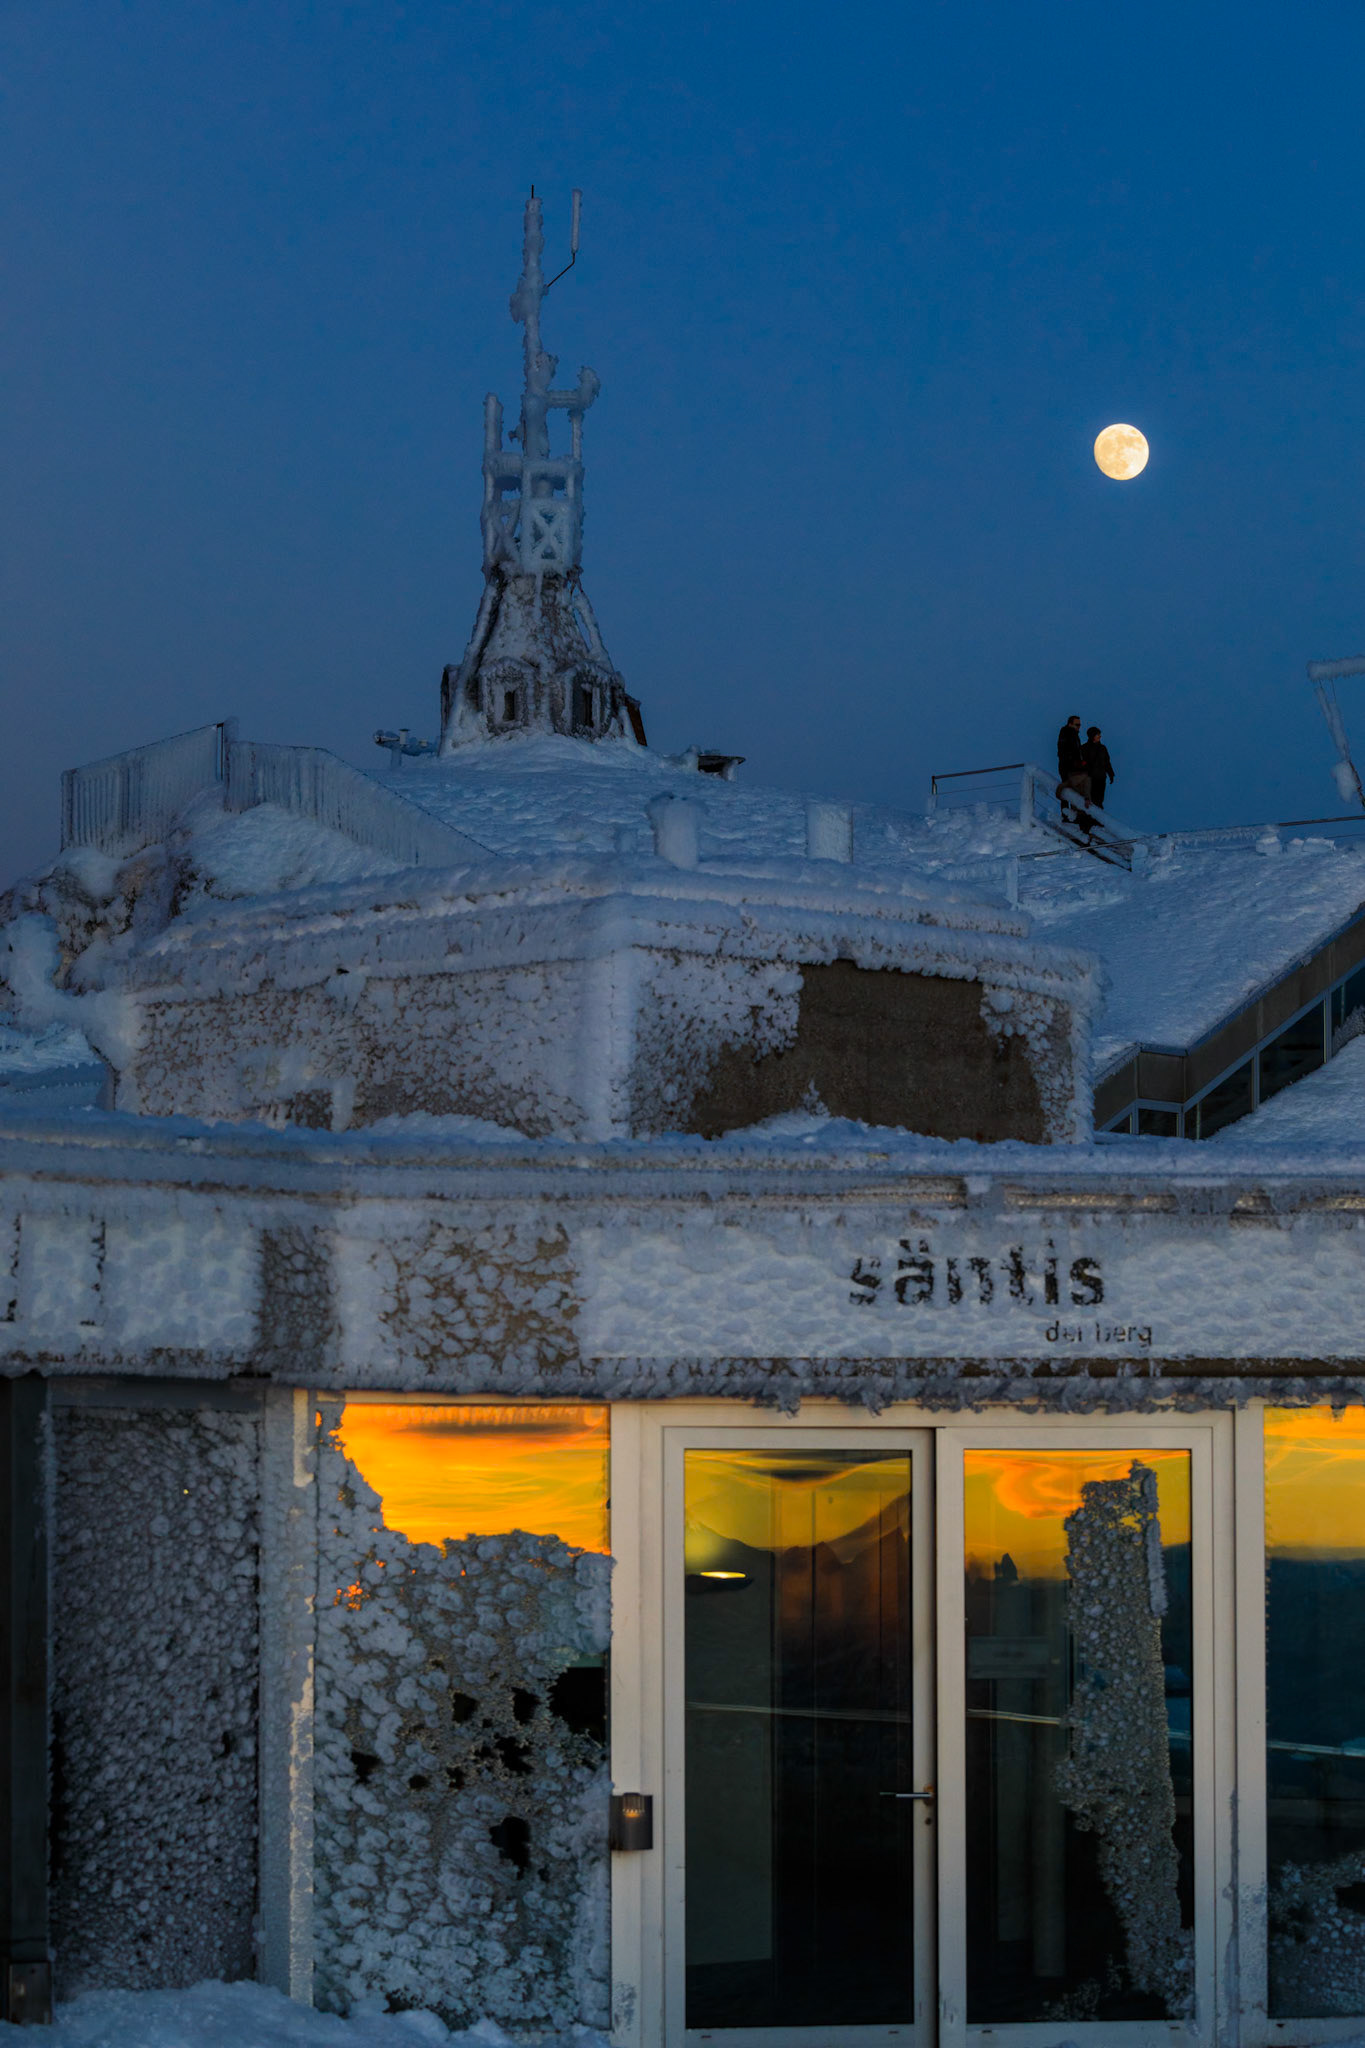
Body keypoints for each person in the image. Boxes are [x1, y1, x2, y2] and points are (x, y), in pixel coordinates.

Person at [1056, 714, 1091, 825]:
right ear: (1070, 724)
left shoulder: (1073, 735)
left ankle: (1072, 816)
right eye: (1077, 724)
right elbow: (1063, 752)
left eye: (1080, 725)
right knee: (1068, 789)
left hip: (1073, 767)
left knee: (1073, 789)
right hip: (1068, 767)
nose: (1079, 727)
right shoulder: (1067, 734)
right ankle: (1068, 816)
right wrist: (1074, 761)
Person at [1083, 726, 1115, 809]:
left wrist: (1111, 774)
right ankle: (1093, 817)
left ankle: (1098, 817)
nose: (1100, 736)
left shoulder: (1102, 748)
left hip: (1101, 777)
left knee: (1099, 799)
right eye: (1098, 735)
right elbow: (1082, 762)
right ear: (1092, 736)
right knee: (1092, 799)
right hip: (1090, 778)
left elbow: (1107, 762)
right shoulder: (1084, 748)